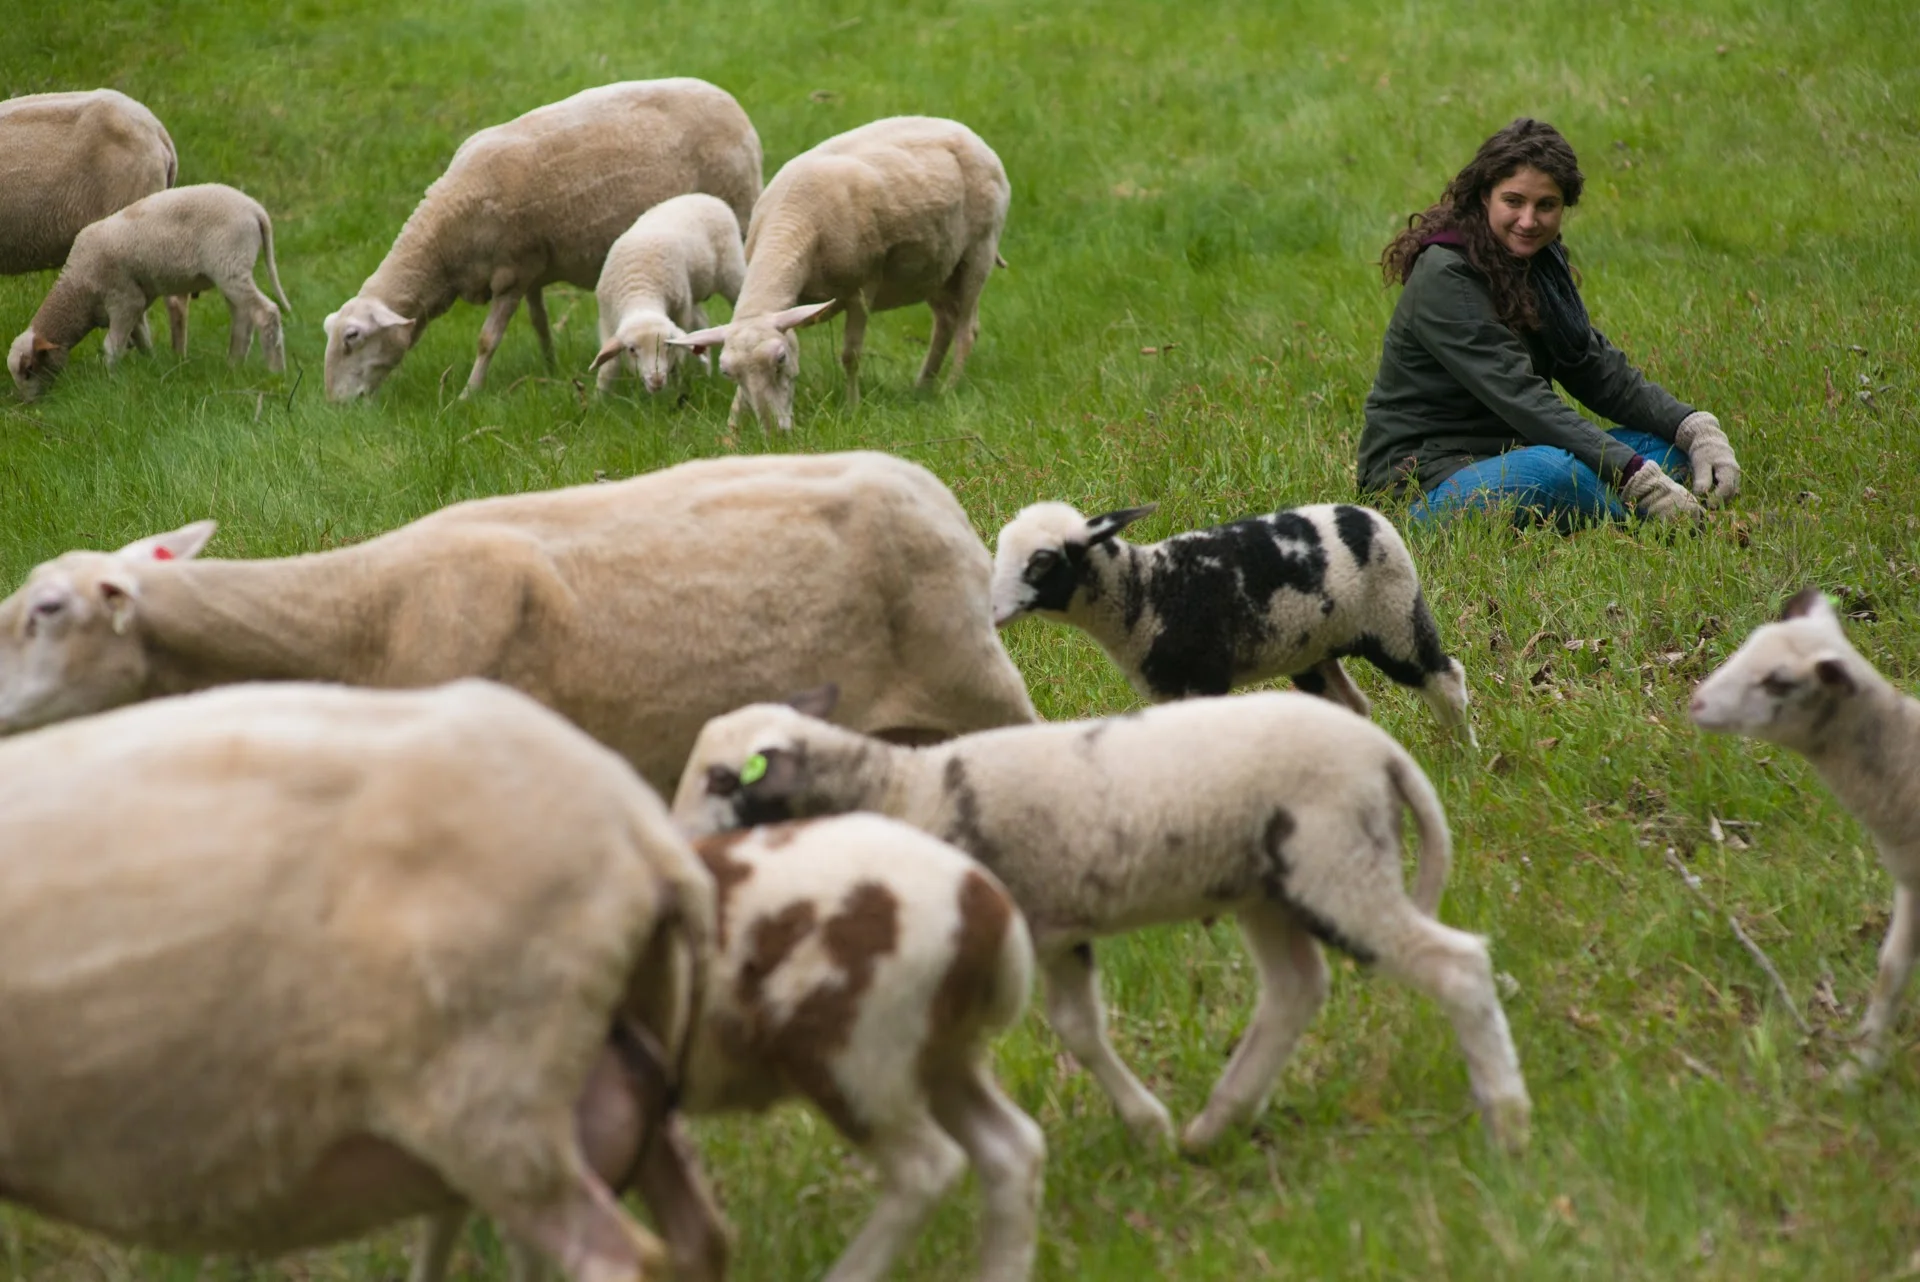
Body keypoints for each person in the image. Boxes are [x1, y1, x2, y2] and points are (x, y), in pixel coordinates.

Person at [1357, 118, 1741, 529]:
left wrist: (1694, 427)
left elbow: (1591, 365)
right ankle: (1656, 522)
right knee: (1551, 472)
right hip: (1423, 486)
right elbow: (1524, 399)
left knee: (1665, 448)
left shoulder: (1538, 261)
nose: (1528, 220)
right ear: (1485, 196)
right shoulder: (1445, 275)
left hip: (1512, 453)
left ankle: (1625, 501)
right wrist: (1635, 478)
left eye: (1546, 205)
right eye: (1513, 201)